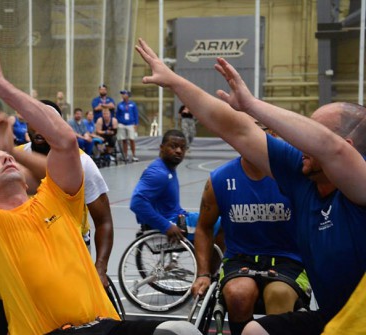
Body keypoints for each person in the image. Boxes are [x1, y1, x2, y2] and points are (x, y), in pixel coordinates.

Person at [0, 36, 201, 335]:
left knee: (181, 331)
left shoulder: (54, 198)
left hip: (103, 326)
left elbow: (65, 142)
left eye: (7, 155)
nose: (5, 159)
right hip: (51, 331)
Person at [135, 38, 366, 335]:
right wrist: (175, 81)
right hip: (334, 316)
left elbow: (331, 148)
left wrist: (255, 105)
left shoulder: (359, 185)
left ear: (346, 147)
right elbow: (237, 129)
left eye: (310, 135)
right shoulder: (302, 174)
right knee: (254, 331)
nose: (297, 143)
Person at [0, 101, 114, 288]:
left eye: (47, 121)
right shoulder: (11, 159)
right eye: (35, 120)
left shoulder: (82, 162)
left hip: (72, 249)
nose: (40, 126)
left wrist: (100, 268)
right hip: (25, 248)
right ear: (26, 122)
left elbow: (104, 221)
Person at [191, 152, 310, 335]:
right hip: (240, 258)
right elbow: (204, 227)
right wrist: (204, 273)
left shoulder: (293, 175)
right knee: (238, 294)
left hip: (288, 258)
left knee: (279, 294)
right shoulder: (220, 179)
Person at [130, 129, 198, 242]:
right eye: (173, 146)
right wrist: (166, 226)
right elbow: (137, 203)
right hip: (171, 223)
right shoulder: (158, 173)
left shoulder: (168, 168)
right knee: (219, 225)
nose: (179, 151)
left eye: (182, 147)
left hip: (177, 217)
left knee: (214, 218)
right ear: (161, 148)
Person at [116, 90, 139, 162]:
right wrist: (119, 122)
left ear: (128, 95)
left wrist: (136, 124)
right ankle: (125, 155)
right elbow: (117, 114)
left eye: (124, 94)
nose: (123, 96)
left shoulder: (133, 104)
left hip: (130, 124)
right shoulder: (120, 105)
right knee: (124, 140)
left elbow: (135, 114)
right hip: (122, 124)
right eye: (122, 94)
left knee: (132, 139)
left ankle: (134, 155)